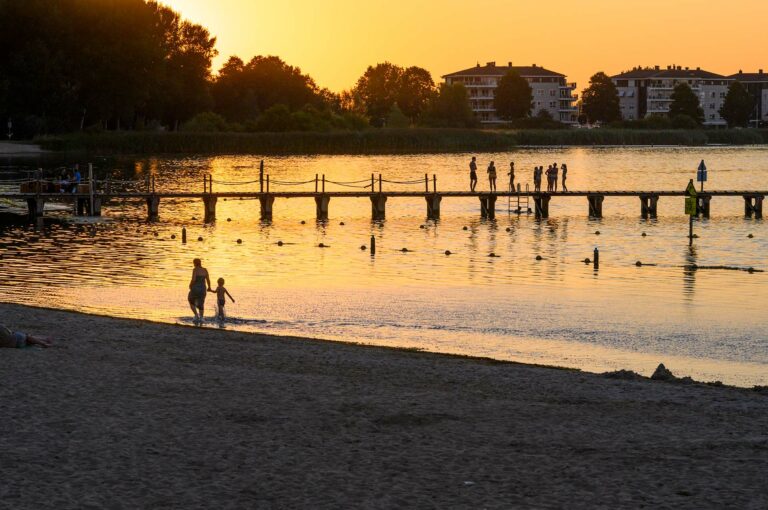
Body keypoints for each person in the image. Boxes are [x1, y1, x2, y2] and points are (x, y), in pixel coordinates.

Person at [188, 258, 212, 324]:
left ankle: (196, 315)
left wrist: (190, 285)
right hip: (203, 289)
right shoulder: (205, 270)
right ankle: (201, 318)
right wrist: (209, 287)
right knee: (201, 303)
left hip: (195, 288)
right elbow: (208, 280)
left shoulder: (195, 270)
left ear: (195, 263)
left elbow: (193, 279)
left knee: (190, 299)